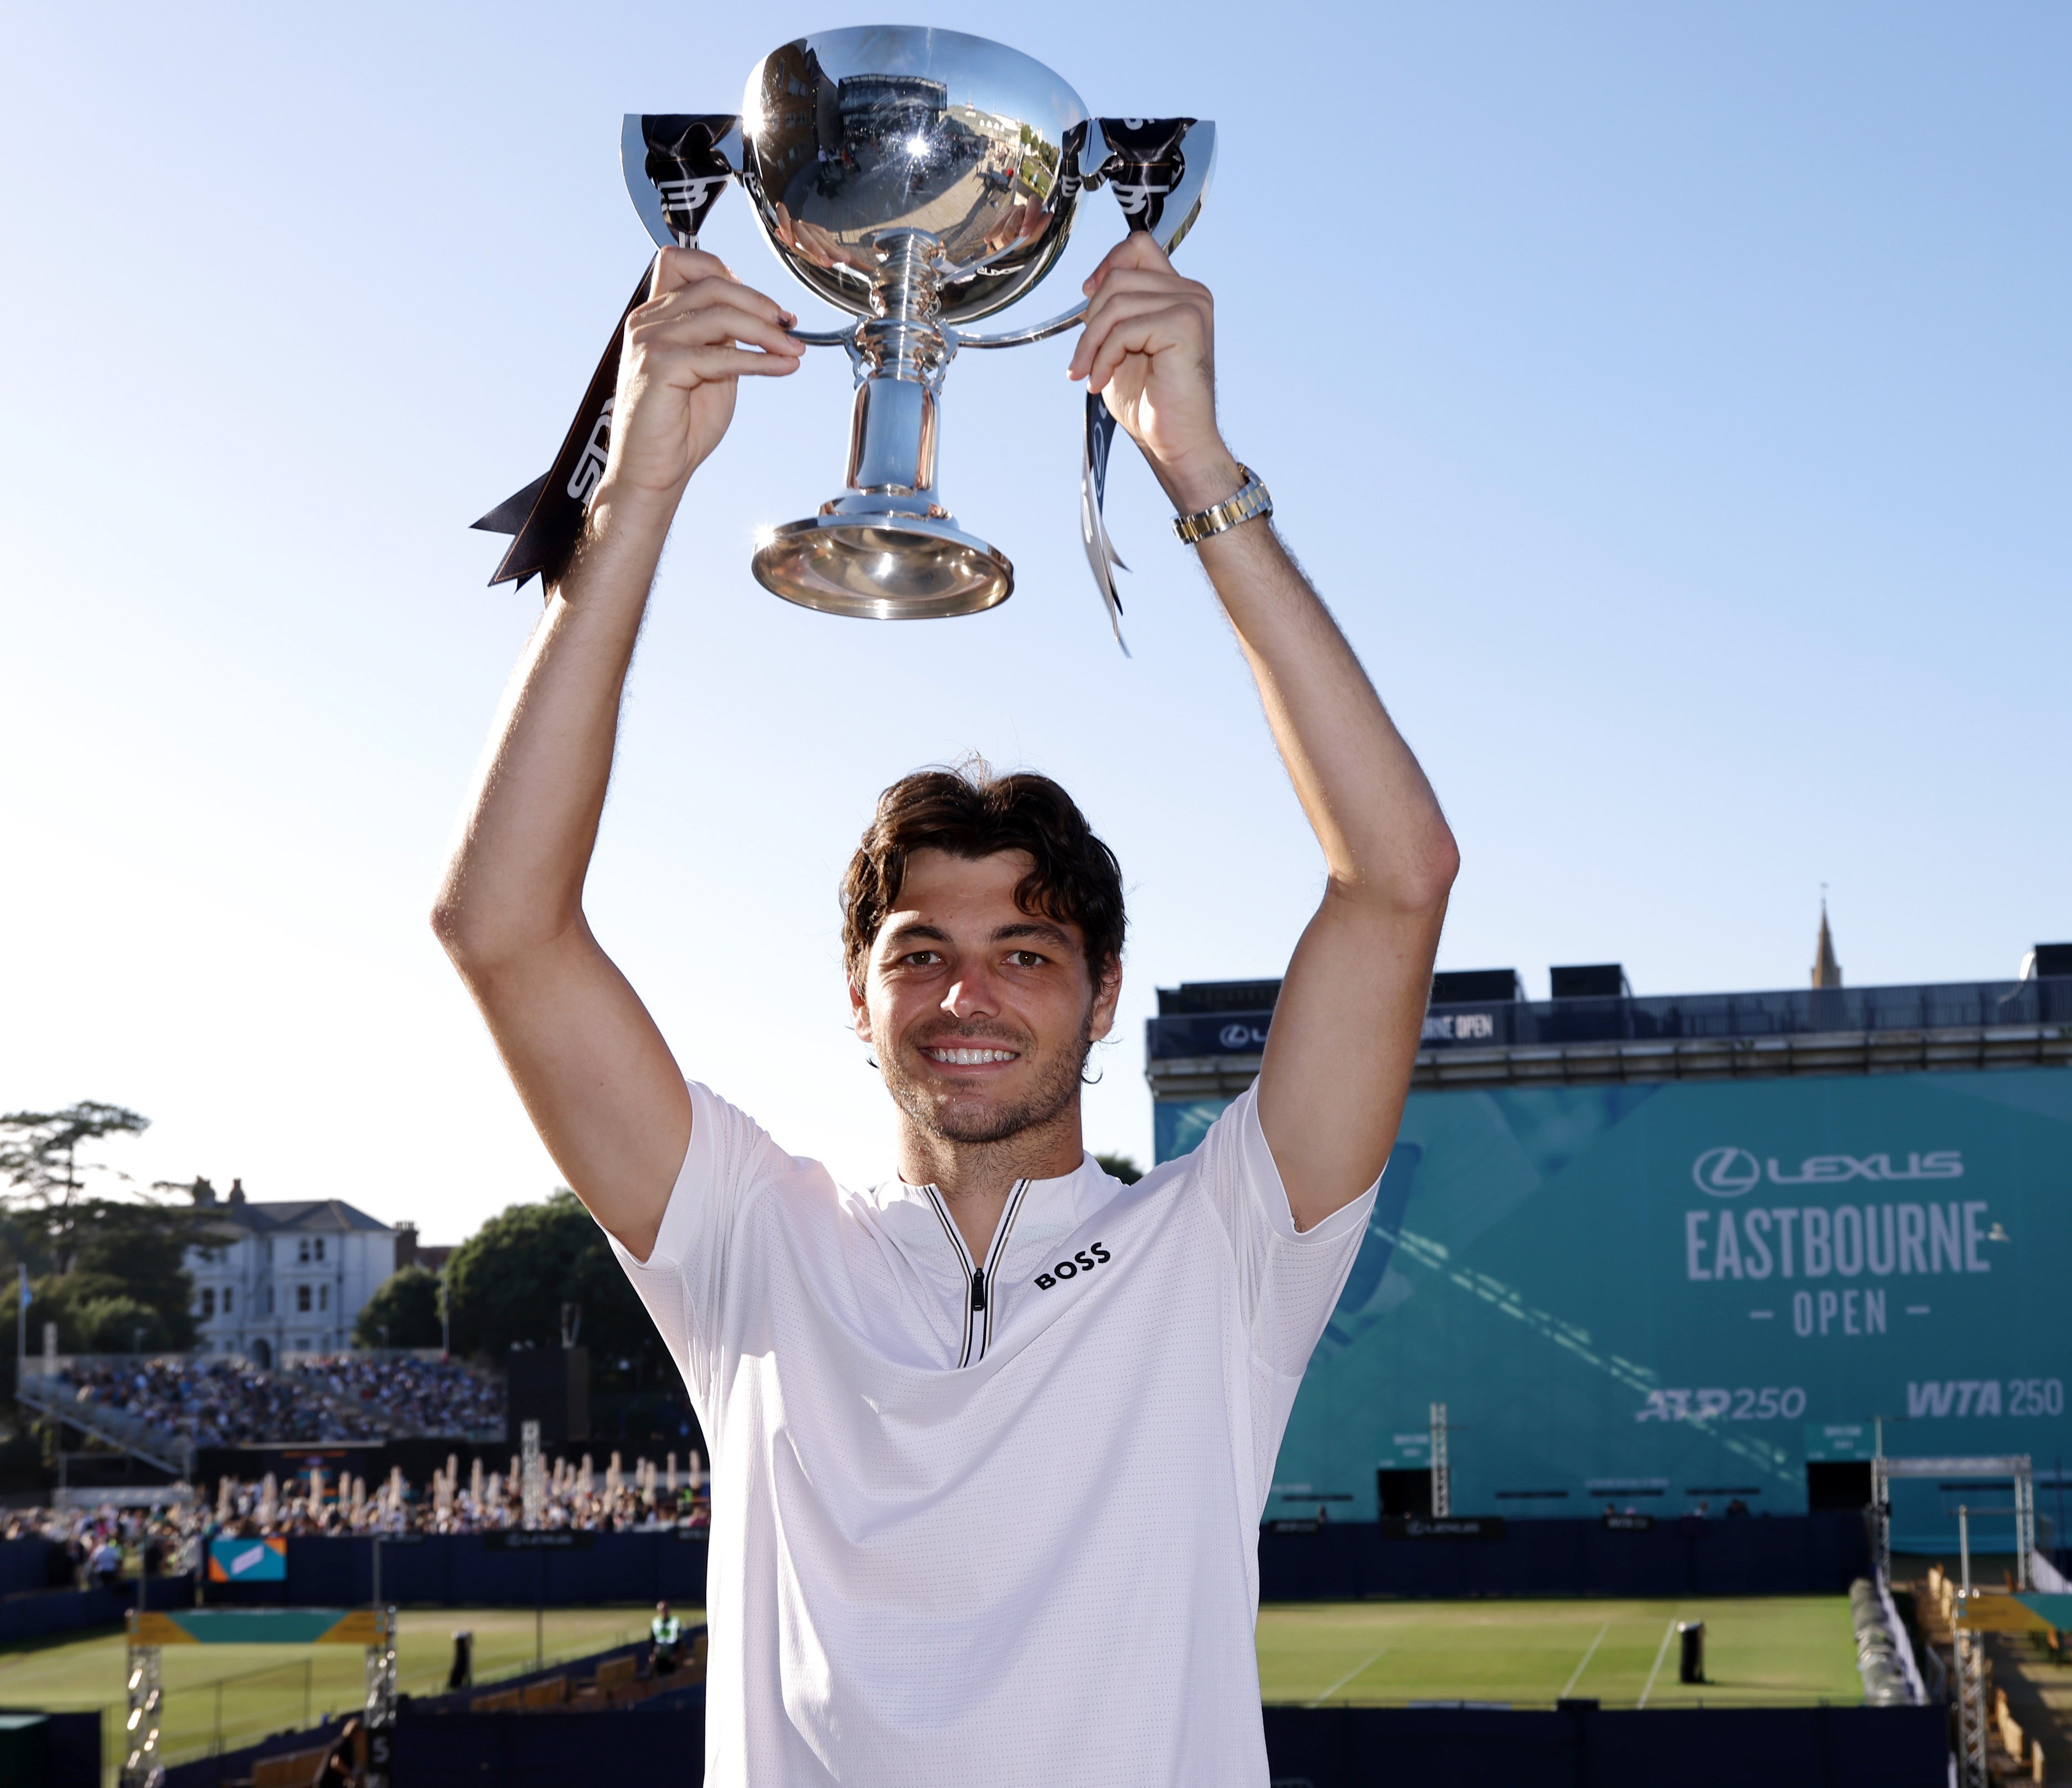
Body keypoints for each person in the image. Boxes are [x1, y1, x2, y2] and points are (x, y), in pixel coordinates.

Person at [432, 227, 1456, 1785]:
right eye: (919, 950)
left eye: (1028, 950)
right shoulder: (748, 1238)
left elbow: (1394, 877)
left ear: (1105, 994)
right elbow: (500, 926)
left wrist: (1200, 474)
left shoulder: (1226, 1243)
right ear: (858, 995)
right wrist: (635, 493)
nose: (967, 990)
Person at [650, 1600, 683, 1676]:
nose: (664, 1611)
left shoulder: (675, 1621)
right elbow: (652, 1639)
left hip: (671, 1654)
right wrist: (652, 1654)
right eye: (662, 1610)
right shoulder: (656, 1622)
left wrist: (676, 1653)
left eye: (665, 1609)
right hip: (660, 1654)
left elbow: (679, 1638)